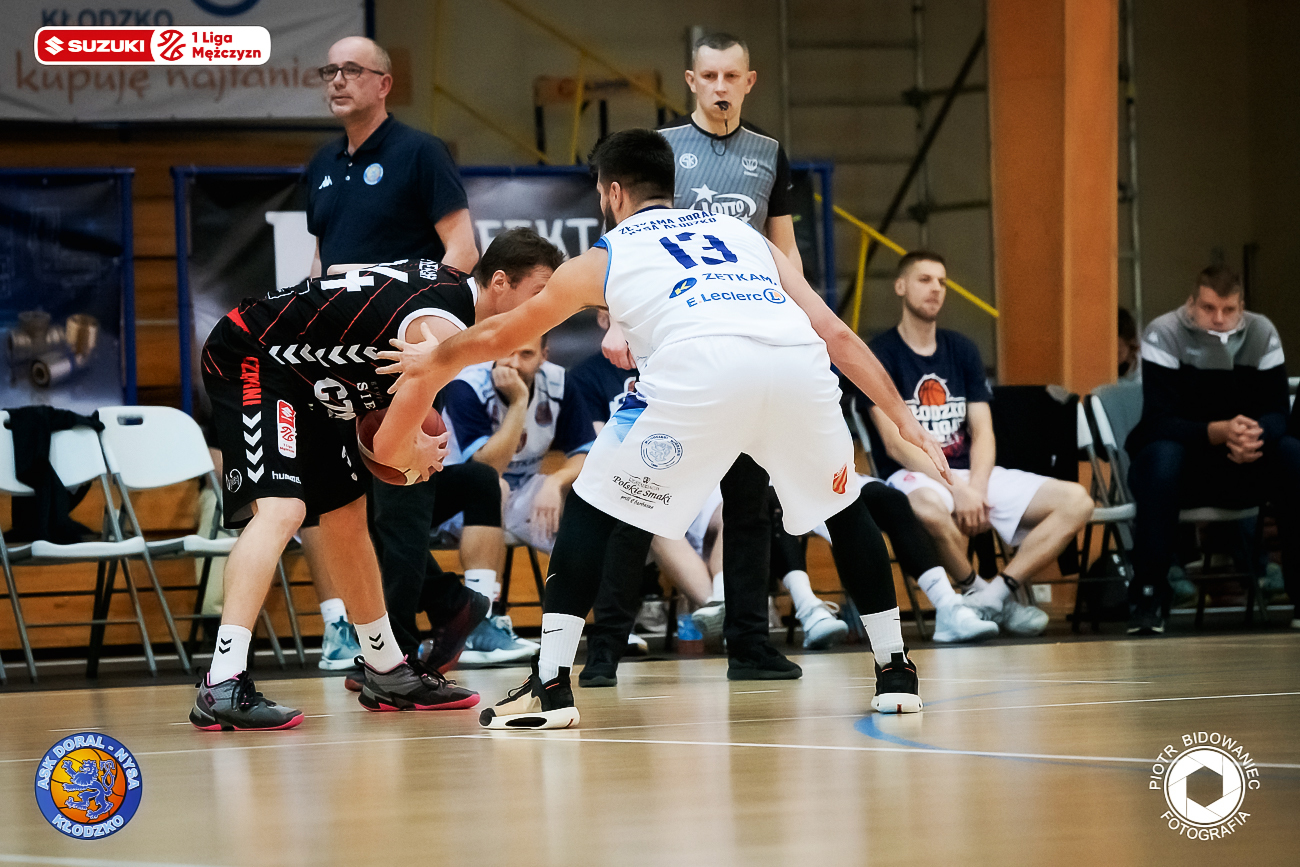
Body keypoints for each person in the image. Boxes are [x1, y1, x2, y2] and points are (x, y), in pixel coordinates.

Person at [377, 129, 952, 729]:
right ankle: (895, 670)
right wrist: (902, 417)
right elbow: (834, 333)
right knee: (845, 507)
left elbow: (502, 333)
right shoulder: (748, 237)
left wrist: (433, 359)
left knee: (591, 508)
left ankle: (550, 684)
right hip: (796, 373)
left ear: (612, 192)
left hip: (700, 375)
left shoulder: (605, 256)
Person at [189, 231, 548, 730]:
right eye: (540, 294)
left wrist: (405, 444)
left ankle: (385, 669)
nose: (546, 309)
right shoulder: (441, 330)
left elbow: (351, 299)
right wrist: (413, 456)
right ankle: (222, 681)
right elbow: (387, 451)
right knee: (283, 510)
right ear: (501, 283)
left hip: (311, 377)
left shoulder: (450, 297)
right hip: (254, 354)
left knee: (346, 516)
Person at [866, 251, 1094, 637]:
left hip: (970, 474)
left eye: (942, 281)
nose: (936, 288)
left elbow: (983, 432)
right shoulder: (879, 354)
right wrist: (957, 489)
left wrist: (977, 488)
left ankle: (992, 598)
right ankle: (975, 594)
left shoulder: (962, 349)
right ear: (900, 286)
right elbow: (895, 444)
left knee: (1078, 501)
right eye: (924, 279)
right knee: (929, 509)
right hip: (912, 473)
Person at [1126, 265, 1299, 634]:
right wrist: (1218, 432)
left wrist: (1254, 436)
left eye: (1228, 310)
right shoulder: (1164, 332)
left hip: (1243, 462)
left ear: (1242, 308)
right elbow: (1158, 421)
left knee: (1291, 452)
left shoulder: (1262, 332)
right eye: (1208, 308)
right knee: (1162, 456)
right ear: (1191, 303)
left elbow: (1279, 413)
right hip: (1183, 468)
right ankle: (1148, 597)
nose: (1218, 319)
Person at [439, 331, 596, 663]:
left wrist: (556, 483)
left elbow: (586, 453)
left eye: (526, 354)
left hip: (523, 492)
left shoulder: (559, 382)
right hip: (456, 502)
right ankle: (480, 623)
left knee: (591, 504)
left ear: (544, 356)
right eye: (506, 352)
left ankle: (606, 624)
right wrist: (519, 402)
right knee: (495, 486)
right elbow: (486, 470)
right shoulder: (467, 385)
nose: (513, 363)